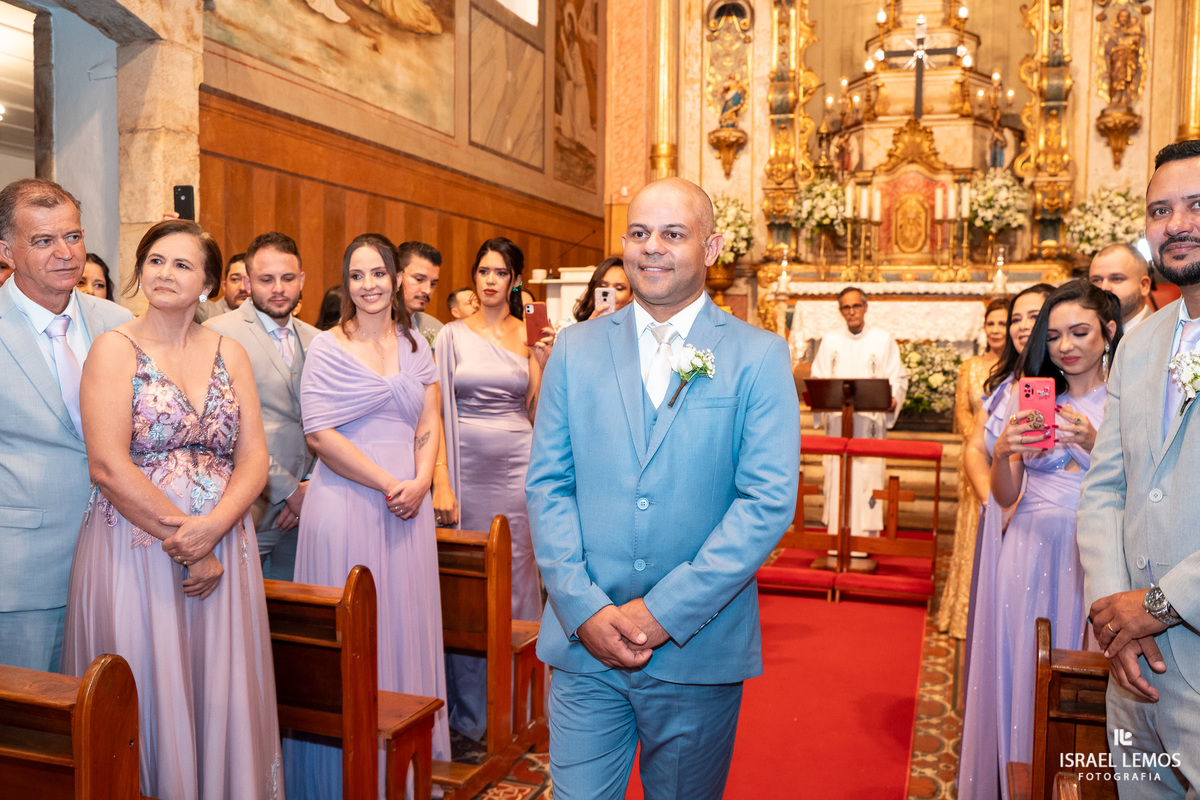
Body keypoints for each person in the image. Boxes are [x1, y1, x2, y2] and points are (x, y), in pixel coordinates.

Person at [527, 178, 799, 798]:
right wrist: (585, 608)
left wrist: (663, 612)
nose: (653, 248)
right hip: (584, 646)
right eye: (640, 233)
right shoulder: (574, 349)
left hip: (697, 648)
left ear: (711, 247)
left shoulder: (757, 357)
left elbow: (765, 503)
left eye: (673, 234)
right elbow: (548, 483)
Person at [61, 218, 282, 798]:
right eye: (155, 260)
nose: (165, 273)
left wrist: (212, 531)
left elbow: (255, 460)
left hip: (223, 543)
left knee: (217, 690)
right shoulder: (114, 350)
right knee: (149, 689)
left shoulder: (229, 352)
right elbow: (107, 466)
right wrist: (188, 542)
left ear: (208, 282)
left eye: (182, 264)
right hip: (138, 547)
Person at [286, 233, 449, 797]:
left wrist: (423, 479)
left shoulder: (415, 343)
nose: (369, 284)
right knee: (352, 641)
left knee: (402, 625)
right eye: (357, 275)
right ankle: (338, 778)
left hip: (409, 504)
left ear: (397, 278)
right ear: (345, 283)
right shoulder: (327, 346)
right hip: (350, 503)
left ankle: (397, 777)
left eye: (378, 273)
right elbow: (319, 434)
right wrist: (389, 483)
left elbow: (429, 420)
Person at [959, 279, 1121, 800]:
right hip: (1026, 548)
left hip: (1090, 553)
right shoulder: (1030, 393)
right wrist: (1005, 451)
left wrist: (1094, 443)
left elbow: (1142, 488)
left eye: (1079, 332)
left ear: (1108, 332)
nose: (1065, 347)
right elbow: (1007, 496)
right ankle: (1017, 784)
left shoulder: (1124, 400)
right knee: (1022, 670)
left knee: (1080, 677)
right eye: (1053, 337)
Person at [1079, 140, 1200, 794]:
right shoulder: (1141, 341)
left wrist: (1155, 605)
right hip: (1133, 668)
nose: (1177, 223)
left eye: (1196, 205)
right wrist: (1112, 614)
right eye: (1160, 209)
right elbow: (1106, 488)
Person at [0, 179, 132, 672]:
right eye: (43, 240)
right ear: (6, 251)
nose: (65, 253)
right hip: (22, 575)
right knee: (26, 733)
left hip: (121, 563)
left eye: (72, 236)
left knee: (106, 727)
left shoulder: (119, 324)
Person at [434, 236, 542, 741]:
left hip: (519, 467)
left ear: (515, 280)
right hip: (465, 469)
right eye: (482, 271)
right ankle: (470, 712)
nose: (490, 280)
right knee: (467, 584)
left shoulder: (530, 336)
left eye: (500, 271)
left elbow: (539, 412)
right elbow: (433, 414)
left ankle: (519, 705)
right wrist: (442, 481)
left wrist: (547, 358)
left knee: (518, 578)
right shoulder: (450, 336)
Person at [206, 231, 318, 581]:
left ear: (301, 280)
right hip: (247, 508)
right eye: (266, 279)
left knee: (299, 622)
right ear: (249, 281)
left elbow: (330, 422)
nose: (278, 288)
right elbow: (224, 429)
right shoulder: (217, 333)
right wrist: (287, 491)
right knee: (245, 621)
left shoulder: (318, 340)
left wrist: (309, 488)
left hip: (310, 507)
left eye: (287, 278)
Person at [809, 287, 908, 538]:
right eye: (846, 307)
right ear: (840, 310)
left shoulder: (883, 340)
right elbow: (818, 377)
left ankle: (866, 541)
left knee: (867, 476)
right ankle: (836, 537)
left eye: (855, 306)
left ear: (865, 307)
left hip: (869, 427)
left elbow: (898, 377)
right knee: (837, 476)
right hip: (839, 425)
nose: (851, 312)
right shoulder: (831, 340)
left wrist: (894, 397)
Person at [937, 296, 1009, 639]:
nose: (996, 330)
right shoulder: (970, 366)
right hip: (975, 460)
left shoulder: (1020, 368)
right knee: (972, 532)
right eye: (990, 323)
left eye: (1002, 323)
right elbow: (962, 412)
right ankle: (963, 614)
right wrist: (980, 440)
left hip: (1012, 464)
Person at [1089, 241, 1154, 332]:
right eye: (1096, 280)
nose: (1104, 288)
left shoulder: (1164, 335)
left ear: (1144, 285)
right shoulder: (1087, 331)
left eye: (1117, 279)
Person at [397, 240, 444, 343]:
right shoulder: (370, 326)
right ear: (397, 276)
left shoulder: (437, 329)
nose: (427, 290)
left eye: (433, 284)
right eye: (419, 279)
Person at [571, 256, 632, 322]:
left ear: (631, 295)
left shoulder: (639, 327)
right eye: (603, 286)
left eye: (619, 288)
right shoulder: (570, 326)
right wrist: (588, 328)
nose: (609, 293)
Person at [194, 251, 249, 322]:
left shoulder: (264, 314)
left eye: (248, 280)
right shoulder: (205, 312)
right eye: (235, 279)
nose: (242, 288)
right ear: (224, 286)